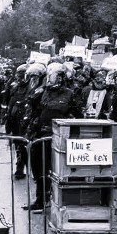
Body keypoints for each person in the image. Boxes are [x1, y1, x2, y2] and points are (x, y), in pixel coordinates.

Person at [23, 63, 80, 212]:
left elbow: (77, 114)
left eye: (52, 75)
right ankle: (40, 200)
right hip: (40, 135)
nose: (50, 78)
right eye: (48, 75)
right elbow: (33, 109)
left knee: (57, 171)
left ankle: (57, 201)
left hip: (58, 138)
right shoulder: (42, 92)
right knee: (38, 169)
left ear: (60, 77)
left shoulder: (69, 93)